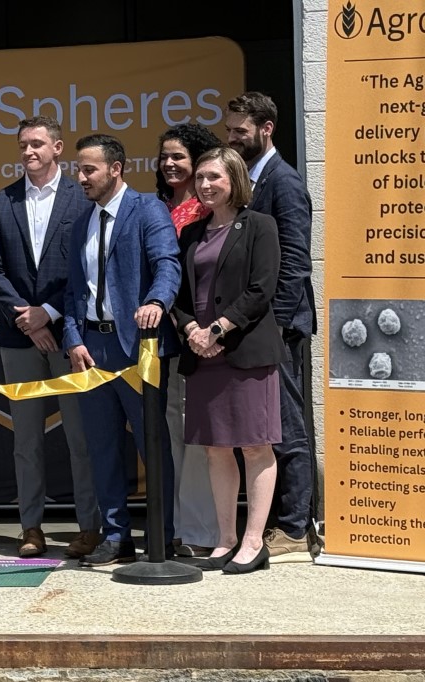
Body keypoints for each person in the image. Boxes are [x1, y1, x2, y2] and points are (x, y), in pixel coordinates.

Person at [0, 115, 101, 560]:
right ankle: (31, 527)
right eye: (22, 145)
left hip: (69, 334)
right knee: (26, 440)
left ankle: (90, 526)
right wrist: (27, 320)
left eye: (37, 144)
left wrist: (47, 315)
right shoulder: (2, 201)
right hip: (18, 337)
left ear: (58, 147)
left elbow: (86, 267)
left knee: (80, 438)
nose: (29, 152)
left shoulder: (80, 198)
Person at [61, 134, 181, 567]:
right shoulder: (81, 223)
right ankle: (116, 537)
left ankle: (160, 537)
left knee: (153, 444)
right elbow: (74, 290)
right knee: (102, 446)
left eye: (88, 169)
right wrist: (72, 339)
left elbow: (168, 263)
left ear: (116, 169)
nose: (80, 177)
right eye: (78, 169)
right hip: (92, 348)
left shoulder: (147, 208)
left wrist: (156, 301)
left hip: (138, 347)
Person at [172, 147, 286, 574]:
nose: (204, 185)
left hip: (245, 352)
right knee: (216, 450)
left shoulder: (260, 226)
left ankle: (255, 542)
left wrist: (218, 329)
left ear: (234, 179)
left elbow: (262, 289)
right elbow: (180, 297)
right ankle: (225, 538)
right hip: (202, 354)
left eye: (214, 177)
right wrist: (192, 332)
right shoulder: (191, 234)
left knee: (255, 446)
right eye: (200, 177)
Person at [224, 91, 316, 564]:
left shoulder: (284, 182)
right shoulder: (249, 180)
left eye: (241, 130)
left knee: (287, 426)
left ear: (267, 128)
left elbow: (297, 261)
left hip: (277, 327)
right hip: (254, 326)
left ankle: (295, 527)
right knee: (266, 425)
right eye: (230, 130)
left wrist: (276, 324)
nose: (233, 138)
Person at [154, 123, 224, 556]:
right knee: (170, 434)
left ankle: (203, 533)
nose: (169, 164)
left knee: (199, 437)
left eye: (178, 156)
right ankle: (178, 527)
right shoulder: (155, 207)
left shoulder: (206, 211)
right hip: (159, 337)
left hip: (201, 337)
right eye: (164, 157)